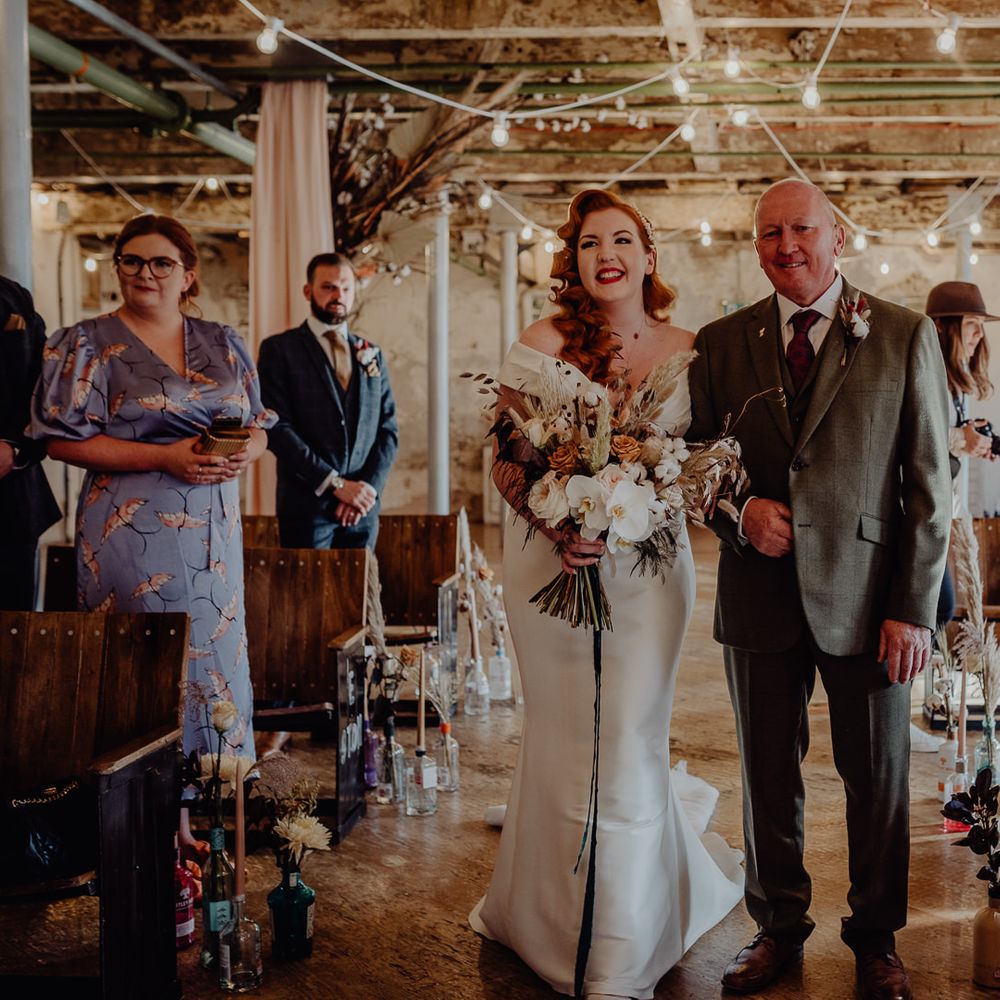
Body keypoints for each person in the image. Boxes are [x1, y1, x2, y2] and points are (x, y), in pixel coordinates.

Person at [470, 189, 743, 1000]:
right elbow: (506, 457)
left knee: (627, 736)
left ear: (649, 256)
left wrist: (653, 498)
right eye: (591, 244)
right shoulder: (542, 341)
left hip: (650, 571)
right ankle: (547, 916)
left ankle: (619, 943)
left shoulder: (696, 348)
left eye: (623, 240)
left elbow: (711, 463)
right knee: (559, 735)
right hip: (549, 565)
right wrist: (557, 524)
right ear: (575, 259)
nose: (607, 255)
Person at [687, 179, 952, 1000]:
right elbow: (696, 466)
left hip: (873, 597)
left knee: (876, 774)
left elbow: (928, 486)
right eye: (769, 233)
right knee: (767, 770)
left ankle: (876, 940)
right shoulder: (721, 342)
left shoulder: (904, 334)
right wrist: (739, 514)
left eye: (802, 229)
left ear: (838, 236)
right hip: (759, 592)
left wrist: (913, 607)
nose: (786, 246)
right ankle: (777, 929)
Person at [29, 214, 275, 850]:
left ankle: (186, 817)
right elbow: (59, 440)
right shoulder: (84, 342)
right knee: (147, 659)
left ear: (187, 273)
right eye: (131, 260)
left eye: (161, 262)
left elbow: (260, 424)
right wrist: (165, 456)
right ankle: (141, 820)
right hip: (129, 527)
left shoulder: (222, 340)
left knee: (209, 659)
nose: (145, 272)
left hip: (213, 535)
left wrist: (248, 449)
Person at [257, 252, 398, 549]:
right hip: (306, 508)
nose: (339, 295)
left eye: (346, 288)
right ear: (308, 291)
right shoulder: (279, 350)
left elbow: (388, 431)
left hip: (362, 510)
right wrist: (336, 485)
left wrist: (366, 490)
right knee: (306, 595)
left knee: (359, 594)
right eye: (329, 287)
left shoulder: (372, 353)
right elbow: (277, 428)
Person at [925, 280, 998, 625]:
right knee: (940, 609)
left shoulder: (953, 379)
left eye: (981, 328)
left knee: (940, 609)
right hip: (918, 515)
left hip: (939, 513)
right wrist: (960, 439)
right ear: (942, 326)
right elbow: (912, 436)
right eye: (972, 325)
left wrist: (972, 440)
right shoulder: (926, 374)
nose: (979, 336)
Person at [0, 276, 60, 609]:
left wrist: (13, 447)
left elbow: (45, 385)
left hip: (10, 509)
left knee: (10, 647)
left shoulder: (12, 297)